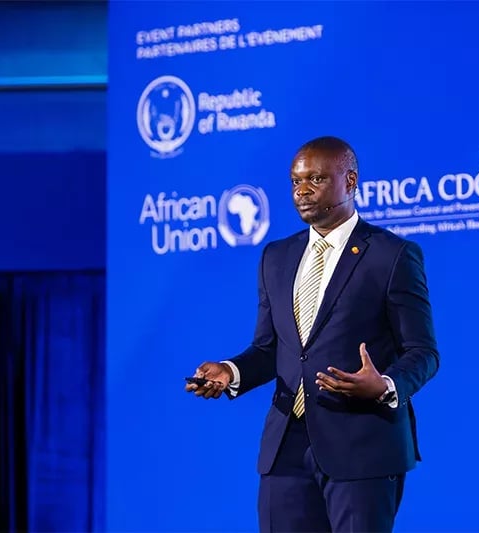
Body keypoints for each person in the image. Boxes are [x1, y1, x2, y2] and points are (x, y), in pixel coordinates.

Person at [185, 136, 440, 532]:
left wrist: (386, 384)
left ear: (350, 181)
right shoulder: (276, 257)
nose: (302, 191)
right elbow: (271, 349)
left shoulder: (392, 255)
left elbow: (423, 352)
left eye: (316, 179)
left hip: (362, 444)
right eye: (295, 182)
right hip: (286, 446)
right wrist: (230, 372)